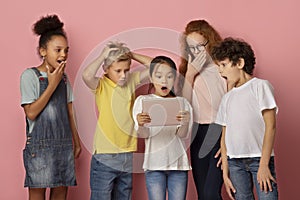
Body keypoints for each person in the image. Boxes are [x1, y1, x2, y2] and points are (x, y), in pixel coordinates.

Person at [20, 14, 81, 200]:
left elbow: (70, 111)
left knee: (61, 195)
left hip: (63, 146)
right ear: (43, 51)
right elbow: (31, 113)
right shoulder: (29, 76)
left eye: (66, 50)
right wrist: (52, 84)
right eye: (58, 50)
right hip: (40, 148)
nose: (63, 55)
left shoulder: (64, 79)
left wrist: (76, 142)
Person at [212, 37, 279, 200]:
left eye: (223, 65)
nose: (220, 71)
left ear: (240, 63)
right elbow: (224, 137)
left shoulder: (260, 86)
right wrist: (225, 174)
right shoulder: (227, 98)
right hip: (235, 163)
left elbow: (270, 127)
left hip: (259, 159)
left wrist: (264, 165)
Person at [82, 41, 150, 200]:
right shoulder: (101, 85)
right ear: (106, 69)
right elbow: (86, 75)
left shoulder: (131, 80)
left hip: (127, 154)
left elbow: (157, 67)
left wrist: (131, 55)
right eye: (118, 71)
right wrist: (103, 56)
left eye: (126, 70)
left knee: (124, 196)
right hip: (106, 155)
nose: (123, 75)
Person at [132, 56, 193, 200]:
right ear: (151, 78)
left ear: (174, 79)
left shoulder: (182, 103)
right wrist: (140, 124)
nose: (164, 81)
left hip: (178, 166)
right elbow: (143, 134)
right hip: (154, 165)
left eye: (169, 76)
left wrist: (185, 122)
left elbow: (183, 135)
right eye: (159, 76)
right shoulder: (143, 101)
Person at [178, 19, 227, 199]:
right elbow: (183, 107)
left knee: (211, 192)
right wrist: (190, 74)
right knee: (202, 194)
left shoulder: (222, 69)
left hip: (219, 131)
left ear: (210, 43)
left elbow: (232, 105)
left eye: (199, 46)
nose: (196, 52)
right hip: (198, 133)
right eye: (191, 48)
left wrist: (226, 140)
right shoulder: (188, 71)